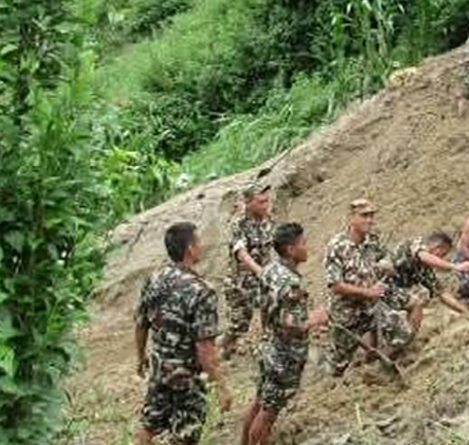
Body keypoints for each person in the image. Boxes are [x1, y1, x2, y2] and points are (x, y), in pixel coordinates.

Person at [134, 222, 231, 445]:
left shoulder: (154, 279)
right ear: (190, 248)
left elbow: (140, 324)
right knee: (186, 436)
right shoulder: (202, 291)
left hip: (159, 368)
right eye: (198, 241)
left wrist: (140, 357)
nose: (201, 246)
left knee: (149, 425)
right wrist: (221, 387)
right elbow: (204, 348)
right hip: (185, 377)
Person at [240, 223, 328, 445]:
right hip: (284, 356)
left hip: (269, 346)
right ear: (290, 249)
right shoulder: (291, 283)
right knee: (268, 414)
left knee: (260, 402)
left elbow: (266, 309)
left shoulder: (270, 269)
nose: (307, 247)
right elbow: (292, 325)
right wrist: (315, 319)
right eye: (303, 243)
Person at [374, 232, 469, 358]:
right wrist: (455, 266)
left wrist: (466, 312)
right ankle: (398, 347)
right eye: (442, 254)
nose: (441, 258)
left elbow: (442, 293)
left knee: (414, 302)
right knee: (416, 303)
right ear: (437, 247)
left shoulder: (425, 270)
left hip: (390, 292)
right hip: (377, 285)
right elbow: (422, 255)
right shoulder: (413, 245)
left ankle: (392, 349)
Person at [323, 199, 390, 377]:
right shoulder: (337, 246)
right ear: (351, 218)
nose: (369, 220)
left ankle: (370, 374)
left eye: (371, 216)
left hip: (371, 308)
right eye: (364, 216)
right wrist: (368, 292)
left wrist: (385, 265)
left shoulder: (373, 240)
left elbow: (384, 258)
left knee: (393, 331)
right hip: (346, 313)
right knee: (340, 364)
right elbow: (336, 285)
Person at [221, 184, 277, 360]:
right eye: (261, 202)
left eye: (267, 201)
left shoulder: (268, 220)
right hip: (240, 283)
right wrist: (259, 270)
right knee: (239, 325)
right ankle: (222, 349)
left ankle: (268, 352)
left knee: (271, 314)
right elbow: (241, 252)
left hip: (263, 280)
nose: (266, 205)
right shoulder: (238, 224)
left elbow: (273, 247)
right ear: (248, 203)